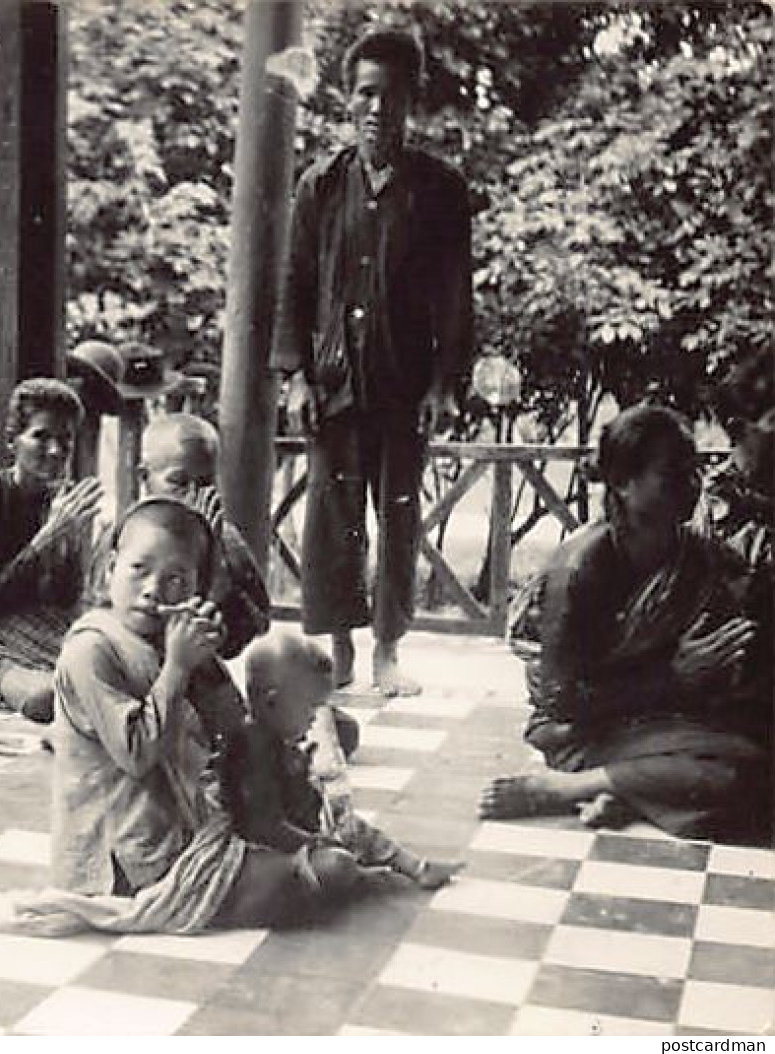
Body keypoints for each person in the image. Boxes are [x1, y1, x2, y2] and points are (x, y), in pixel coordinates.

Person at [0, 498, 372, 939]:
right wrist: (178, 667)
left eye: (175, 580)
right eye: (139, 569)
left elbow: (231, 725)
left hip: (179, 831)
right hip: (122, 860)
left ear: (195, 591)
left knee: (317, 846)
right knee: (304, 879)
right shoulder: (90, 650)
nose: (153, 589)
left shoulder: (164, 638)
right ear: (110, 567)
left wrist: (206, 665)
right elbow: (138, 755)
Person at [273, 27, 475, 697]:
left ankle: (388, 650)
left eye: (390, 95)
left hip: (403, 383)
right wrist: (296, 374)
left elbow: (453, 293)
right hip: (332, 386)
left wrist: (445, 383)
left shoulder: (439, 189)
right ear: (347, 98)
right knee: (334, 521)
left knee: (396, 516)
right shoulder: (321, 185)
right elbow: (295, 286)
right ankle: (340, 649)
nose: (376, 109)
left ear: (410, 101)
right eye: (364, 93)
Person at [480, 407, 769, 842]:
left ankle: (630, 791)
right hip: (580, 733)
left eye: (694, 472)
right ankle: (567, 788)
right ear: (622, 483)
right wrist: (673, 678)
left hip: (660, 721)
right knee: (737, 775)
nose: (693, 486)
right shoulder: (579, 568)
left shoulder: (698, 557)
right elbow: (562, 705)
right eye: (673, 474)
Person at [233, 631, 462, 890]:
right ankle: (367, 877)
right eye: (311, 706)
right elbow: (265, 826)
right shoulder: (252, 747)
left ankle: (418, 868)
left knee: (354, 828)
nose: (315, 717)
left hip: (299, 829)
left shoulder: (278, 734)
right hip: (262, 849)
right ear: (272, 701)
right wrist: (315, 841)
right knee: (335, 865)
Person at [0, 377, 103, 724]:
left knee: (120, 673)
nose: (55, 450)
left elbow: (65, 601)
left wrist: (72, 543)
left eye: (65, 439)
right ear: (12, 441)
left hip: (48, 644)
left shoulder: (60, 501)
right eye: (41, 436)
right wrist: (50, 536)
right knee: (52, 696)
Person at [87, 413, 270, 661]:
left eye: (205, 483)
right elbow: (97, 611)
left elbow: (257, 626)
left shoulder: (226, 538)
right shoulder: (123, 535)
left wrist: (217, 569)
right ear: (145, 478)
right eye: (179, 482)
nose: (193, 495)